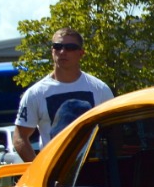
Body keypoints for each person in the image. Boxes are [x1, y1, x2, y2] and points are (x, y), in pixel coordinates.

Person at [12, 27, 112, 161]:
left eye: (70, 47)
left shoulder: (100, 89)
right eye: (57, 46)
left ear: (81, 53)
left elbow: (114, 131)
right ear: (52, 51)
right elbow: (20, 137)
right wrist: (37, 170)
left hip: (95, 168)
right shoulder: (35, 94)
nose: (63, 52)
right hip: (55, 173)